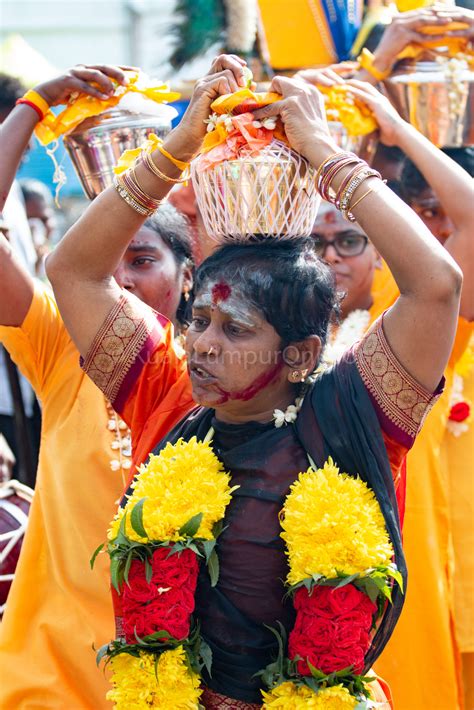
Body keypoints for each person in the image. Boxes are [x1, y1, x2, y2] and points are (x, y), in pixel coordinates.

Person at [46, 55, 461, 706]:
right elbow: (72, 269)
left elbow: (438, 285)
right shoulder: (168, 392)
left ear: (299, 357)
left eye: (235, 331)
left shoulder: (355, 409)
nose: (203, 344)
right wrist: (180, 144)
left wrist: (322, 152)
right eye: (199, 320)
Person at [0, 65, 193, 710]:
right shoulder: (61, 346)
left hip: (177, 681)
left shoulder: (219, 374)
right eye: (102, 269)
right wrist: (32, 109)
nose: (120, 284)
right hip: (47, 677)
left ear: (187, 277)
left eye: (141, 261)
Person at [309, 80, 473, 710]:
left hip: (397, 570)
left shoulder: (404, 328)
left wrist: (399, 132)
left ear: (382, 253)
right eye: (315, 244)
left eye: (349, 240)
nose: (331, 259)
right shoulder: (266, 339)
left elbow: (472, 221)